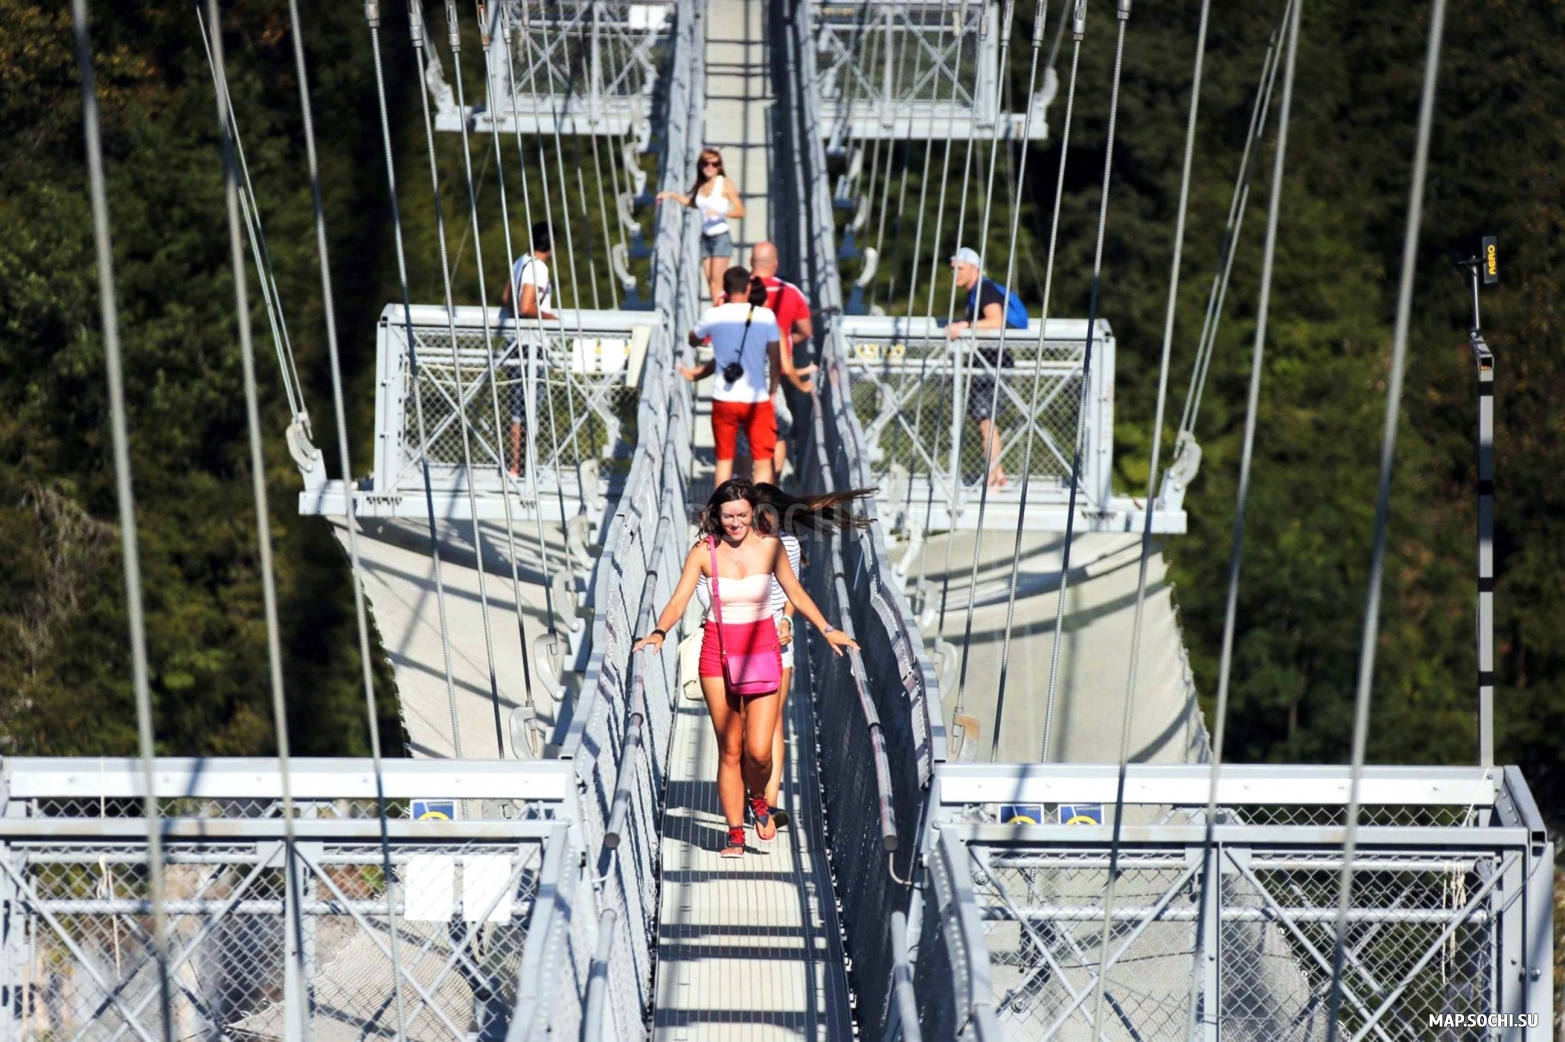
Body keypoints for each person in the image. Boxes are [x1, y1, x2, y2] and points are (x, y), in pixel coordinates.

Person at [633, 479, 858, 857]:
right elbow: (678, 601)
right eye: (728, 516)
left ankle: (758, 797)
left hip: (762, 650)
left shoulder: (770, 548)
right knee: (730, 749)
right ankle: (735, 834)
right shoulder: (703, 552)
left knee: (759, 751)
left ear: (753, 511)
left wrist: (828, 630)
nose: (735, 523)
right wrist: (658, 632)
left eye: (741, 515)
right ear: (716, 516)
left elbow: (796, 594)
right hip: (716, 654)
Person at [679, 267, 781, 486]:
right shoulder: (766, 316)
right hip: (757, 399)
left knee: (724, 461)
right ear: (747, 288)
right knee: (763, 462)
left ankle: (720, 515)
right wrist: (773, 392)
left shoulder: (713, 315)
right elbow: (775, 359)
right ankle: (763, 515)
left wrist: (710, 319)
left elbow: (693, 340)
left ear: (725, 290)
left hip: (724, 399)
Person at [946, 246, 1023, 488]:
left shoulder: (985, 289)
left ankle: (995, 475)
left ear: (974, 269)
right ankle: (996, 472)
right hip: (987, 362)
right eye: (953, 269)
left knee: (986, 420)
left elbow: (996, 322)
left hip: (994, 362)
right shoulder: (975, 293)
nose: (955, 274)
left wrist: (965, 328)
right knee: (985, 420)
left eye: (960, 268)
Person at [749, 242, 819, 481]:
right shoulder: (791, 293)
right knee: (778, 432)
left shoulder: (733, 291)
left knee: (742, 440)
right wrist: (786, 342)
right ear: (775, 264)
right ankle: (771, 487)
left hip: (737, 381)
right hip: (773, 379)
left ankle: (738, 492)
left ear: (751, 262)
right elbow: (806, 331)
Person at [499, 222, 558, 478]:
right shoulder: (539, 268)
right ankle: (523, 466)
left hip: (516, 342)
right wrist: (550, 318)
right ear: (552, 245)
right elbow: (526, 306)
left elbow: (506, 299)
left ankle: (515, 465)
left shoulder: (520, 261)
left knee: (517, 408)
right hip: (532, 345)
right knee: (531, 408)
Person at [656, 148, 746, 304]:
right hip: (706, 238)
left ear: (719, 166)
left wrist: (720, 213)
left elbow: (740, 211)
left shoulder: (724, 183)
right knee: (711, 285)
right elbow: (695, 204)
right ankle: (719, 316)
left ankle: (721, 319)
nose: (710, 167)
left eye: (714, 164)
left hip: (721, 237)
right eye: (706, 163)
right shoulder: (702, 184)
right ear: (700, 165)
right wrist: (671, 195)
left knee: (716, 284)